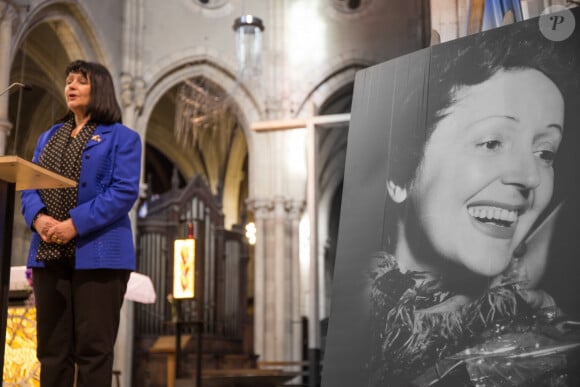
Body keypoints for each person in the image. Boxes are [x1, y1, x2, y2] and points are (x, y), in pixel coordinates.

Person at [368, 14, 580, 387]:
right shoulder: (354, 323)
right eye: (492, 142)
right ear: (401, 174)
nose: (530, 177)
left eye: (546, 153)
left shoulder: (542, 353)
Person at [20, 60, 142, 387]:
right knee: (52, 350)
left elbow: (123, 192)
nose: (70, 86)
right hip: (49, 252)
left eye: (80, 82)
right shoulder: (49, 136)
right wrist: (39, 218)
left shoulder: (122, 138)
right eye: (68, 80)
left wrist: (73, 225)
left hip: (99, 254)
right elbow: (28, 184)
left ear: (99, 88)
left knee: (93, 351)